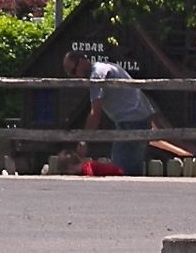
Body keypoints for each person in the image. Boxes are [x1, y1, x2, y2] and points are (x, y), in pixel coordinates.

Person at [63, 48, 156, 176]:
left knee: (119, 171)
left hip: (131, 122)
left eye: (74, 71)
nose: (76, 76)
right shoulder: (104, 67)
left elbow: (95, 114)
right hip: (137, 119)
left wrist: (84, 141)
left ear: (82, 60)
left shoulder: (97, 75)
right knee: (132, 168)